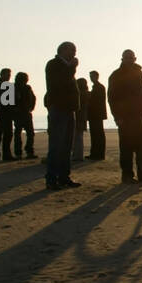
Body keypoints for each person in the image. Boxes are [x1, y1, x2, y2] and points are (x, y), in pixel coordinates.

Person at [108, 49, 142, 183]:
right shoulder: (116, 75)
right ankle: (127, 176)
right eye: (126, 58)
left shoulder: (140, 73)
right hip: (125, 118)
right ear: (122, 59)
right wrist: (117, 116)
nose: (129, 60)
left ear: (135, 59)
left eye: (131, 58)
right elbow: (112, 98)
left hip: (140, 116)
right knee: (126, 148)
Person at [44, 44, 80, 189]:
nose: (73, 54)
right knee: (56, 145)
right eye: (71, 51)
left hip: (69, 109)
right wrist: (72, 68)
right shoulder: (54, 65)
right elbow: (59, 83)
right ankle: (51, 178)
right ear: (62, 51)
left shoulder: (67, 67)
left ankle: (64, 177)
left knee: (66, 146)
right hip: (58, 108)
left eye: (74, 51)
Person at [0, 68, 16, 162]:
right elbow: (9, 102)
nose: (9, 76)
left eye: (9, 75)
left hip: (4, 113)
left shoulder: (1, 85)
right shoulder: (3, 86)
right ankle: (0, 154)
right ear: (2, 75)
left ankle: (1, 154)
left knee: (4, 134)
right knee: (3, 134)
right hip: (3, 113)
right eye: (7, 74)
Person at [12, 71, 36, 159]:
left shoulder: (27, 88)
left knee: (29, 133)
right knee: (20, 133)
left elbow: (33, 98)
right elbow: (11, 102)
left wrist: (31, 107)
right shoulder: (14, 88)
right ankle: (20, 152)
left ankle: (27, 151)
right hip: (19, 114)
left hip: (26, 113)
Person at [88, 71, 107, 161]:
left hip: (96, 114)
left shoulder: (99, 87)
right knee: (95, 134)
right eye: (90, 76)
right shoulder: (97, 87)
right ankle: (95, 153)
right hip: (96, 114)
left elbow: (96, 101)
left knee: (97, 134)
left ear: (97, 77)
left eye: (92, 76)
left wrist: (89, 96)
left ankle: (98, 154)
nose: (91, 78)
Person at [73, 77, 90, 161]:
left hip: (79, 117)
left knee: (77, 137)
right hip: (82, 116)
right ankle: (78, 155)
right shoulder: (86, 93)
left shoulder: (81, 94)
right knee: (79, 136)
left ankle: (77, 155)